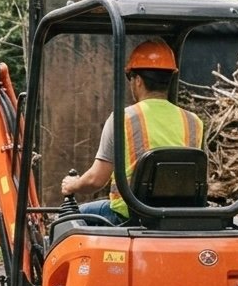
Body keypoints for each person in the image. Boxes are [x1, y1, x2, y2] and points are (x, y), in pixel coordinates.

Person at [59, 37, 204, 224]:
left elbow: (96, 180)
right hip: (179, 217)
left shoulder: (122, 119)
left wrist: (73, 184)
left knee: (67, 219)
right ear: (169, 79)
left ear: (137, 81)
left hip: (131, 217)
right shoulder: (194, 122)